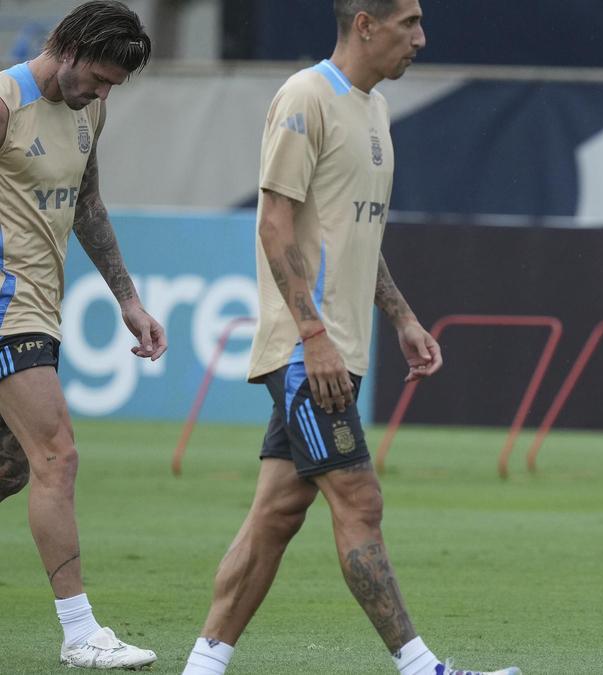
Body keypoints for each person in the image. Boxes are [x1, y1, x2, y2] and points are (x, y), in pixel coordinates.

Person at [180, 2, 519, 674]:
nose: (422, 38)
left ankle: (203, 664)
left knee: (277, 512)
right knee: (361, 499)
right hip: (310, 351)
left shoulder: (375, 110)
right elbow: (274, 225)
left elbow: (352, 233)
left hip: (339, 346)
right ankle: (422, 667)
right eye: (409, 23)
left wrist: (401, 316)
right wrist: (313, 333)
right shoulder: (306, 97)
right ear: (365, 23)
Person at [0, 0, 165, 670]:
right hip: (8, 307)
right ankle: (80, 631)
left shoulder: (88, 110)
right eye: (95, 78)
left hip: (44, 307)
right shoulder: (6, 100)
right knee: (56, 456)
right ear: (65, 47)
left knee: (13, 465)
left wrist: (128, 298)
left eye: (110, 87)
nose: (100, 93)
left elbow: (88, 204)